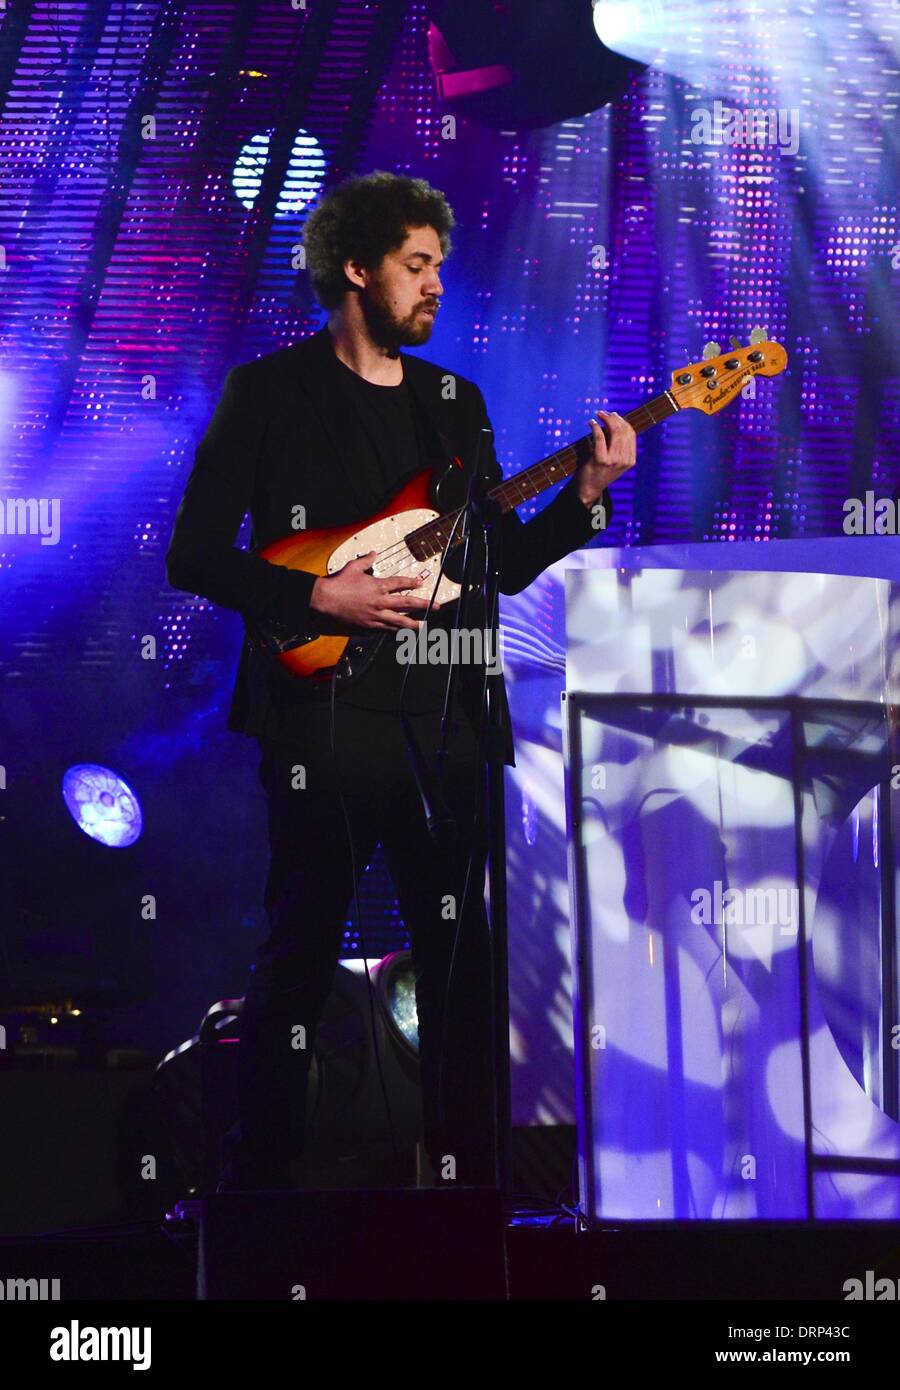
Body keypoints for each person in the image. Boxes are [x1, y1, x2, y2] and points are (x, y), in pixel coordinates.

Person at [165, 170, 636, 1190]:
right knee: (295, 963)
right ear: (355, 268)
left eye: (437, 268)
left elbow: (495, 562)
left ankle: (465, 1198)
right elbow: (192, 555)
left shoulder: (451, 405)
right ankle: (262, 1197)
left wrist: (587, 499)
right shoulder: (271, 392)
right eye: (416, 266)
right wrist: (315, 600)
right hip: (324, 718)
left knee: (463, 975)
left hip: (449, 716)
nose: (433, 287)